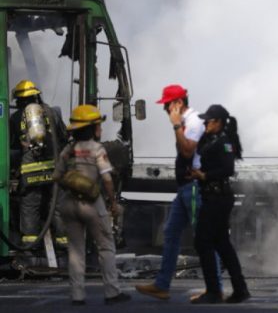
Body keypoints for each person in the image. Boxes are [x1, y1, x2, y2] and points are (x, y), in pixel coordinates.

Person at [136, 84, 218, 301]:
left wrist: (175, 127)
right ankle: (162, 285)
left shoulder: (192, 122)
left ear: (178, 103)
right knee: (171, 233)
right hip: (185, 188)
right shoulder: (187, 122)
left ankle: (215, 288)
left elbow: (188, 150)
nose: (165, 111)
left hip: (195, 189)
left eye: (166, 106)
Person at [52, 104, 130, 305]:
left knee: (75, 250)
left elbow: (57, 176)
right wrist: (113, 202)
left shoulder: (68, 150)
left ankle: (77, 296)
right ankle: (112, 292)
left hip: (68, 204)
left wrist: (74, 182)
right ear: (92, 127)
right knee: (105, 246)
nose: (101, 129)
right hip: (92, 204)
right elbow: (106, 179)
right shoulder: (97, 149)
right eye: (98, 125)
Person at [189, 104, 250, 304]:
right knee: (222, 244)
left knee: (203, 241)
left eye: (209, 121)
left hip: (218, 197)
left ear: (219, 123)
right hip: (213, 196)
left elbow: (227, 168)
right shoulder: (212, 140)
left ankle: (214, 291)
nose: (205, 124)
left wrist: (204, 175)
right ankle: (239, 289)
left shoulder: (224, 142)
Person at [10, 79, 69, 248]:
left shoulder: (15, 117)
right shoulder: (53, 113)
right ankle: (63, 242)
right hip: (54, 169)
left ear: (20, 100)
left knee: (30, 205)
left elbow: (12, 145)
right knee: (56, 204)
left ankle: (30, 243)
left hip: (30, 170)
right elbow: (64, 137)